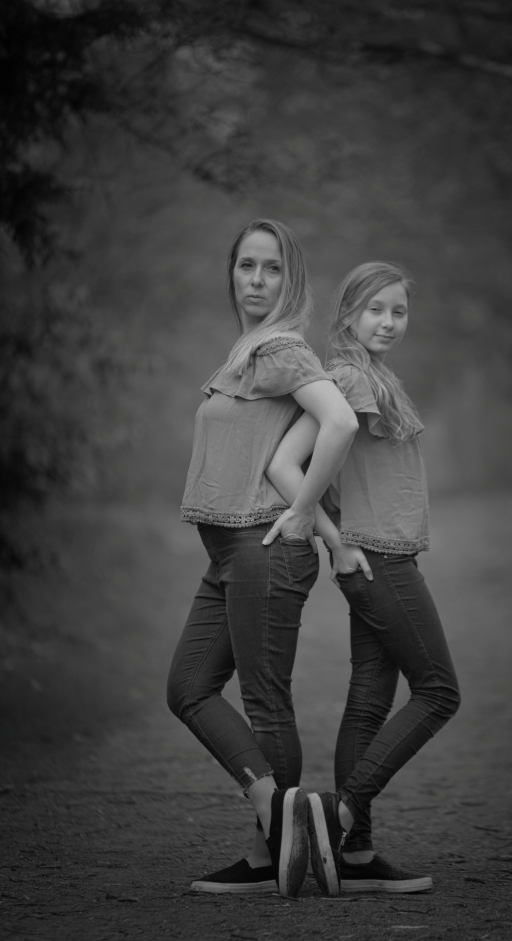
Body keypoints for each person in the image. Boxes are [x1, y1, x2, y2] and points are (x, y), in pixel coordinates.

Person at [167, 220, 358, 898]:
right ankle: (276, 827)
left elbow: (339, 421)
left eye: (271, 268)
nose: (256, 279)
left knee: (263, 701)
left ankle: (271, 836)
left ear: (291, 279)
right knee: (188, 687)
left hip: (261, 547)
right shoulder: (247, 350)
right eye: (246, 265)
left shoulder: (279, 348)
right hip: (229, 549)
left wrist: (304, 509)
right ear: (232, 272)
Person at [266, 261, 461, 896]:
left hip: (384, 557)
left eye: (399, 311)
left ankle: (354, 854)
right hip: (377, 562)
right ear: (348, 315)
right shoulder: (348, 378)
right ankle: (339, 816)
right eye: (375, 309)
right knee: (439, 692)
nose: (389, 321)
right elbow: (284, 465)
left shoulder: (374, 375)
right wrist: (335, 540)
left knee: (371, 701)